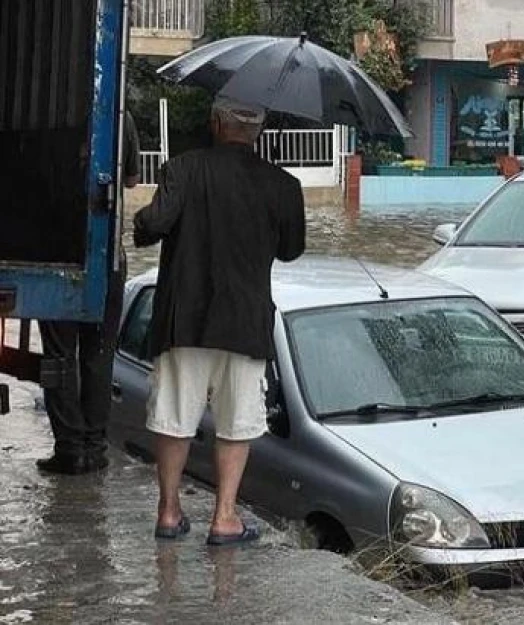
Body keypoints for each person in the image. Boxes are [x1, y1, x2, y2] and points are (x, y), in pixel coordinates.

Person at [132, 96, 305, 546]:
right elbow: (291, 250)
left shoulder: (182, 168)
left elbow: (154, 223)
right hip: (244, 323)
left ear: (214, 123)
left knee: (173, 416)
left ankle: (169, 513)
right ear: (259, 133)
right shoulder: (283, 184)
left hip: (183, 319)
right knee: (237, 421)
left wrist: (139, 220)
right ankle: (224, 518)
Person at [36, 109, 140, 476]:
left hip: (56, 255)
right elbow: (131, 180)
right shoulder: (121, 116)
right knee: (98, 354)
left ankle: (70, 448)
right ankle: (94, 447)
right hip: (107, 253)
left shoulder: (50, 115)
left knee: (59, 357)